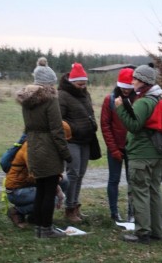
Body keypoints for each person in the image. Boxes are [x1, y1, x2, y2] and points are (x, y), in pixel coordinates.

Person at [15, 57, 72, 238]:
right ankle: (46, 228)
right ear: (49, 83)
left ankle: (40, 227)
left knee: (41, 188)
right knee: (49, 191)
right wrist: (66, 153)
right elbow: (57, 130)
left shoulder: (27, 100)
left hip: (33, 146)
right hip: (49, 149)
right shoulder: (50, 100)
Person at [115, 64, 162, 244]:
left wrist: (120, 108)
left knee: (140, 192)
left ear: (144, 81)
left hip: (141, 155)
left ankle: (142, 232)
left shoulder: (144, 102)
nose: (132, 81)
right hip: (157, 153)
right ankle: (158, 232)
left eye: (136, 78)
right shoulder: (158, 98)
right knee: (154, 191)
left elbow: (134, 126)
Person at [5, 121, 72, 228]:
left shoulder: (48, 147)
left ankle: (35, 215)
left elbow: (52, 171)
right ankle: (17, 211)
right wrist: (57, 190)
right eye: (63, 140)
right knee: (51, 198)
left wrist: (56, 183)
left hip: (31, 184)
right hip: (17, 190)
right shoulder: (32, 146)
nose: (64, 144)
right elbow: (36, 174)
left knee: (64, 181)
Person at [58, 62, 98, 223]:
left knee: (80, 174)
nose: (82, 86)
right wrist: (73, 128)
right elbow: (59, 119)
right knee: (73, 174)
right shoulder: (62, 95)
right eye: (79, 83)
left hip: (86, 140)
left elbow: (90, 112)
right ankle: (69, 208)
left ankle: (75, 205)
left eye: (84, 83)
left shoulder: (85, 94)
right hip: (72, 140)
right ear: (71, 81)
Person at [100, 68, 136, 222]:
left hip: (133, 148)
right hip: (115, 146)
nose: (126, 90)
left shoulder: (138, 100)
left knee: (133, 181)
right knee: (114, 180)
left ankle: (132, 212)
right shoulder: (110, 100)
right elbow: (105, 125)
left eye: (129, 88)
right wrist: (113, 149)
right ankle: (114, 212)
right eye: (123, 87)